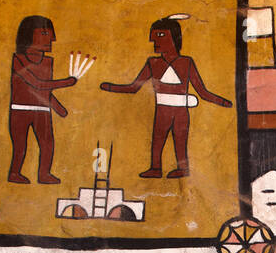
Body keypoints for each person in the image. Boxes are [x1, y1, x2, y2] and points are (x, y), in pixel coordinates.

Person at [99, 15, 231, 178]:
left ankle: (182, 168)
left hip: (181, 111)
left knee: (180, 140)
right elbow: (133, 88)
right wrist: (111, 87)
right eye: (155, 37)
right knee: (158, 139)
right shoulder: (153, 63)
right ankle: (156, 168)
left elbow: (202, 92)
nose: (155, 42)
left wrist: (222, 101)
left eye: (161, 35)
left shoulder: (186, 63)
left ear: (174, 37)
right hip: (162, 109)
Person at [6, 15, 78, 185]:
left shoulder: (47, 62)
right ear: (28, 35)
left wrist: (58, 107)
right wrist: (67, 82)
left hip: (42, 110)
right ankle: (14, 173)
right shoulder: (19, 60)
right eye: (45, 33)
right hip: (20, 109)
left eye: (50, 34)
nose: (52, 38)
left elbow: (45, 91)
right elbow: (37, 84)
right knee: (20, 146)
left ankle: (44, 174)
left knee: (47, 144)